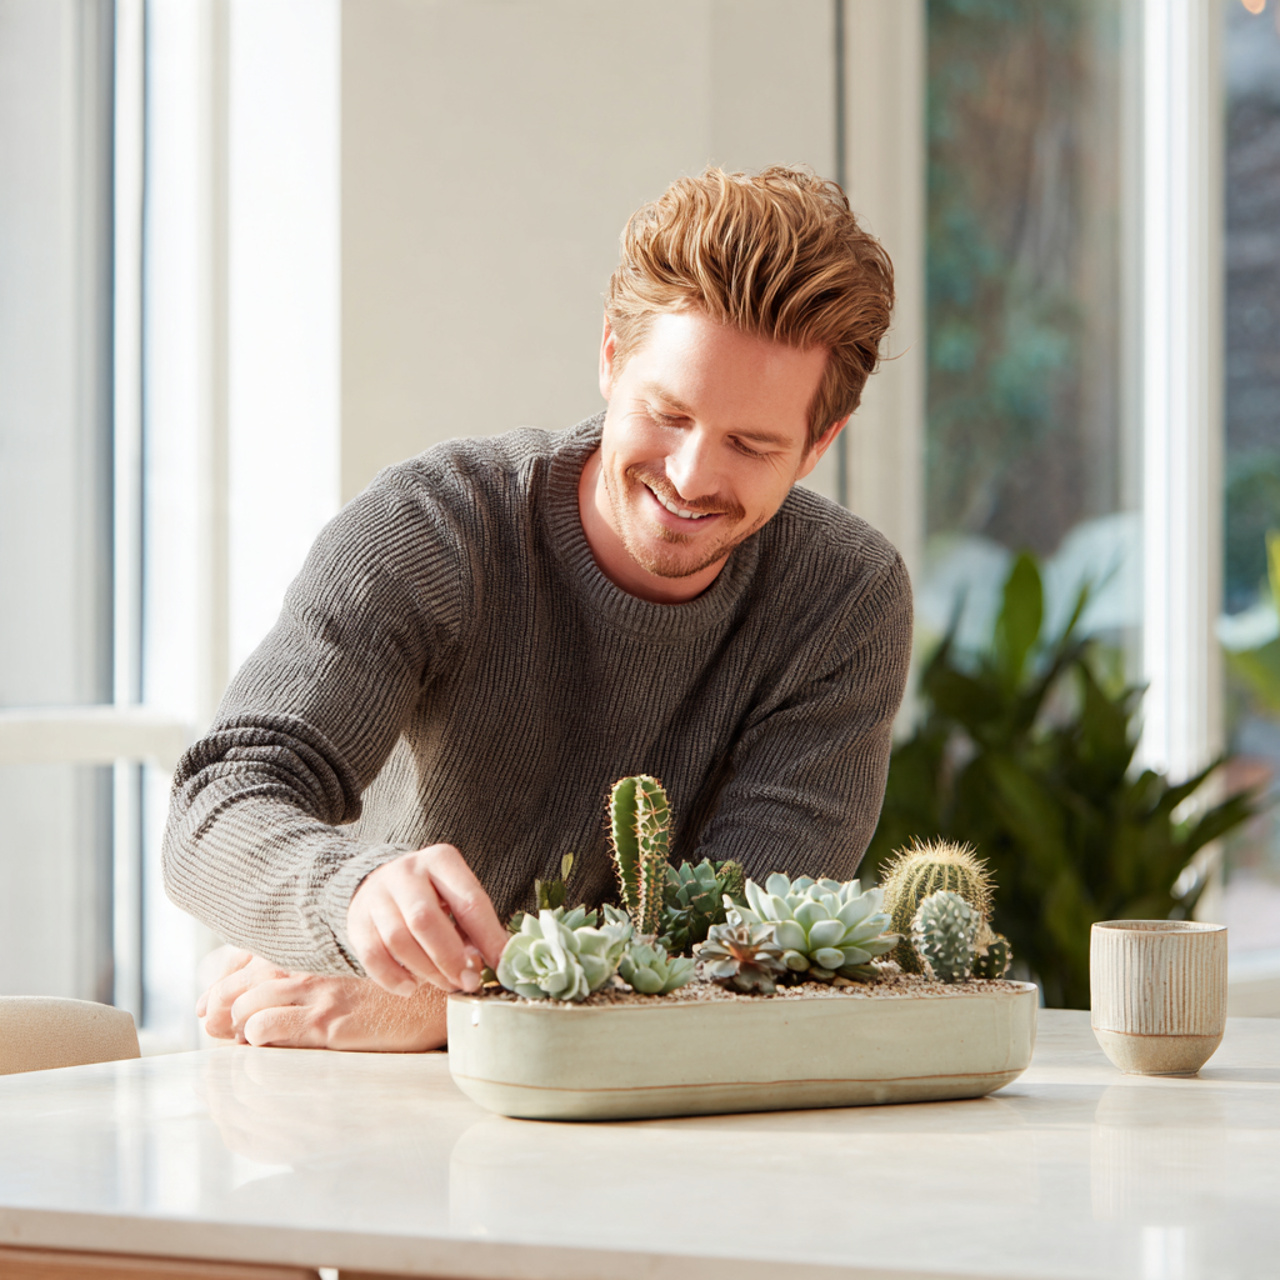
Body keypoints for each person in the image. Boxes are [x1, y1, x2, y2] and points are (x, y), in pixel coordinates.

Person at [170, 165, 913, 1052]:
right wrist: (352, 897)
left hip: (650, 1096)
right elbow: (214, 808)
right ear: (610, 356)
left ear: (819, 444)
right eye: (667, 413)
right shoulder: (435, 527)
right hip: (351, 1067)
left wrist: (458, 1006)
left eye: (751, 444)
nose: (691, 477)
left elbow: (747, 954)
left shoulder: (844, 600)